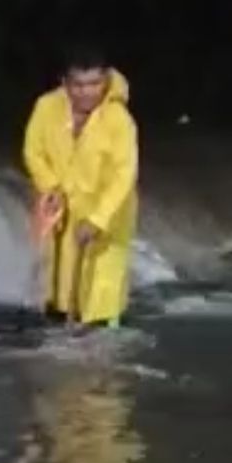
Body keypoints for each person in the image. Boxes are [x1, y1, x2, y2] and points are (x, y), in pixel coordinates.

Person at [22, 49, 138, 327]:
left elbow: (124, 175)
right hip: (58, 210)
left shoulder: (119, 120)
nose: (87, 93)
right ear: (64, 82)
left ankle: (101, 347)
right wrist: (49, 187)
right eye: (78, 85)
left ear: (106, 81)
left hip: (106, 217)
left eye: (94, 84)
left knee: (98, 302)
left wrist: (97, 220)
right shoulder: (46, 107)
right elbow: (32, 151)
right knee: (57, 291)